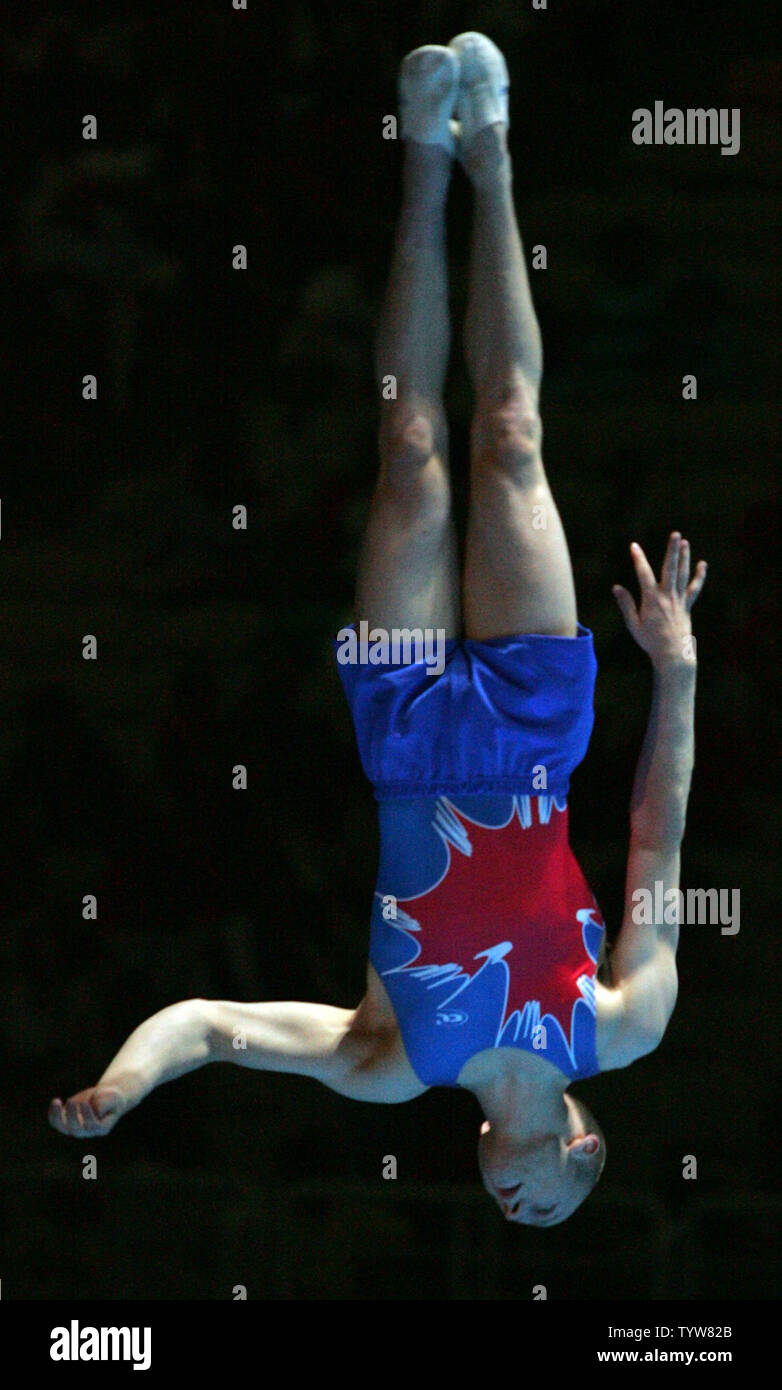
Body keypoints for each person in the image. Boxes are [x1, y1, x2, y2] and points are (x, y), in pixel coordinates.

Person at [49, 34, 707, 1226]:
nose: (515, 1208)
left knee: (409, 458)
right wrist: (676, 673)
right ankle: (493, 152)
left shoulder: (391, 1062)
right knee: (508, 437)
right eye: (540, 1212)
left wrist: (123, 1084)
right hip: (532, 736)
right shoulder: (623, 1024)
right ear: (584, 1152)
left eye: (511, 1216)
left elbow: (211, 1027)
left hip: (401, 745)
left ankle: (418, 159)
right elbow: (654, 839)